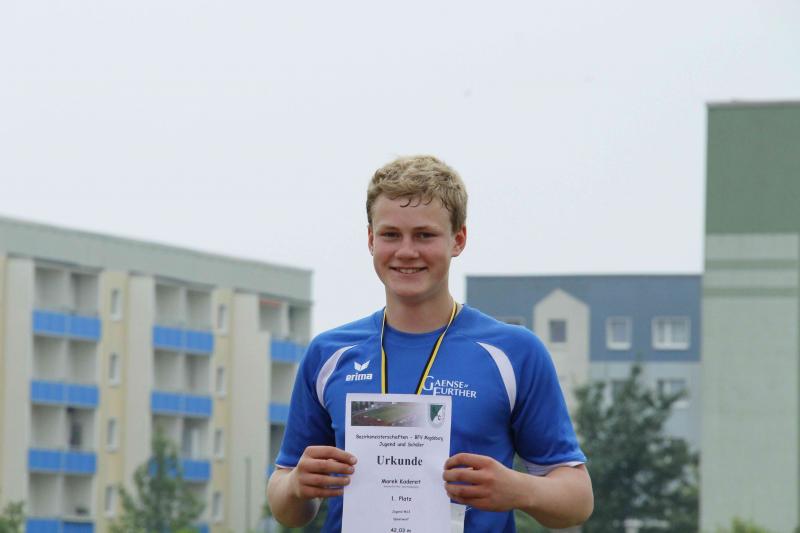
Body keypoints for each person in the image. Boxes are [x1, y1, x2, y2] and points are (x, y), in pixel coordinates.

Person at [267, 155, 593, 532]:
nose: (407, 251)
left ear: (458, 240)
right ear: (371, 240)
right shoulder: (329, 353)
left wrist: (518, 489)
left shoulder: (513, 352)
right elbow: (286, 504)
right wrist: (296, 485)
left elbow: (578, 499)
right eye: (391, 235)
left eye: (424, 235)